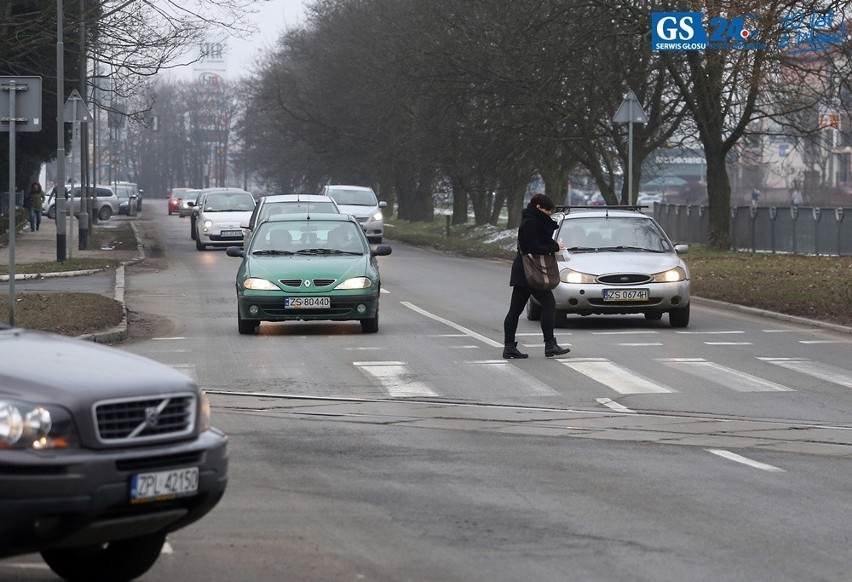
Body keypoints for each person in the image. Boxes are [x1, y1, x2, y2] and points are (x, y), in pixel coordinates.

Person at [502, 193, 571, 359]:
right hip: (530, 272)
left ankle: (510, 347)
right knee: (549, 304)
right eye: (547, 210)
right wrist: (555, 246)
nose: (548, 214)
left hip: (524, 272)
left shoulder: (530, 220)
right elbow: (534, 247)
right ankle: (550, 345)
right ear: (539, 207)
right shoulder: (531, 223)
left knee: (515, 310)